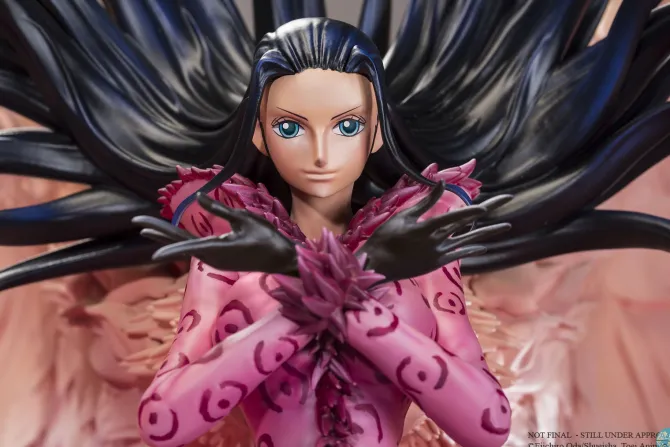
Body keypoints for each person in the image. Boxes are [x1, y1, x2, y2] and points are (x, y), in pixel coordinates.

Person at [0, 1, 668, 446]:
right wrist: (313, 287)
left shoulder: (419, 247)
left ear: (375, 131)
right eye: (292, 127)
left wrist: (346, 289)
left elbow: (488, 424)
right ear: (260, 134)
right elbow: (163, 419)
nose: (321, 152)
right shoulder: (228, 251)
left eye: (345, 126)